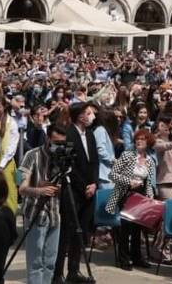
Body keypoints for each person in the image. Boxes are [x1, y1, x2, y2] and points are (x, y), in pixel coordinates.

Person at [18, 124, 67, 284]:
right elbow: (21, 188)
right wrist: (40, 190)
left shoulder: (63, 158)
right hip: (35, 212)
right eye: (56, 142)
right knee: (35, 262)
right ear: (47, 138)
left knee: (50, 262)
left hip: (55, 213)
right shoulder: (32, 155)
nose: (58, 146)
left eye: (62, 143)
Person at [56, 102, 98, 284]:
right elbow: (69, 166)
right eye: (88, 113)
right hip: (73, 189)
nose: (91, 116)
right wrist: (83, 186)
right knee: (67, 232)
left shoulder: (89, 134)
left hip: (89, 190)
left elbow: (95, 161)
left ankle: (74, 270)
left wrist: (94, 183)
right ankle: (57, 273)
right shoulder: (68, 134)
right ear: (80, 116)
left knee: (80, 232)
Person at [105, 129, 157, 271]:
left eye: (143, 139)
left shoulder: (150, 161)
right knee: (126, 227)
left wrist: (150, 198)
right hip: (125, 193)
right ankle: (123, 258)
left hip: (140, 195)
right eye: (137, 139)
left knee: (137, 228)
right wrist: (128, 181)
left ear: (148, 142)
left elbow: (149, 183)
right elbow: (112, 174)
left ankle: (137, 257)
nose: (139, 141)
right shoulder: (127, 155)